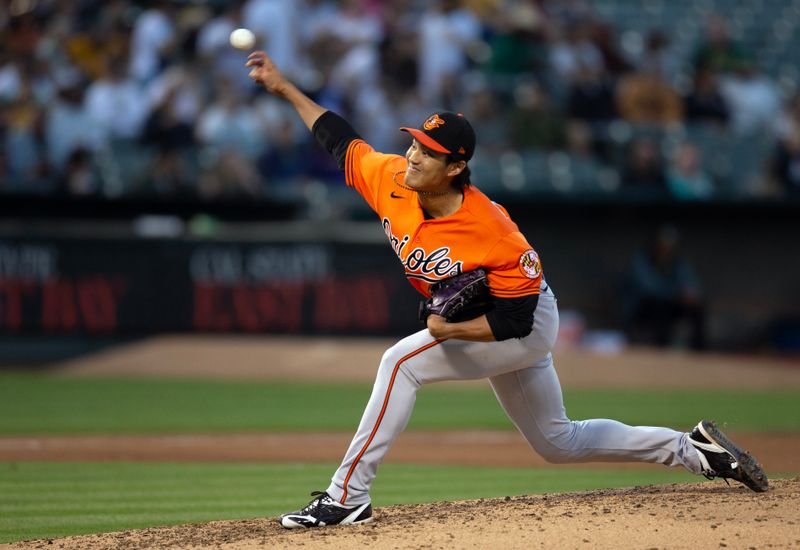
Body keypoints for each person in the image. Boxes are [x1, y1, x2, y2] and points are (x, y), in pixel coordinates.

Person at [245, 50, 768, 529]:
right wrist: (285, 86)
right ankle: (693, 449)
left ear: (455, 168)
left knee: (401, 362)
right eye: (413, 143)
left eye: (427, 152)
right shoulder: (390, 178)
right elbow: (339, 139)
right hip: (500, 323)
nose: (412, 156)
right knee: (557, 442)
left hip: (526, 322)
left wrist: (447, 326)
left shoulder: (493, 229)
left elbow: (516, 323)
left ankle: (346, 496)